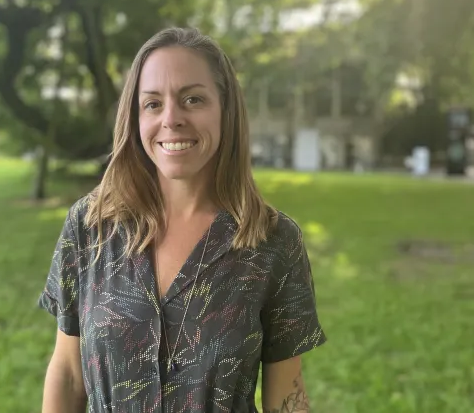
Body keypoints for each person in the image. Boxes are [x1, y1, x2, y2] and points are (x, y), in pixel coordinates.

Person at [38, 27, 326, 413]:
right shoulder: (90, 226)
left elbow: (286, 397)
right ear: (135, 117)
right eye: (153, 104)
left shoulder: (274, 241)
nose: (172, 119)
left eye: (193, 99)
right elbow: (69, 374)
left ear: (226, 109)